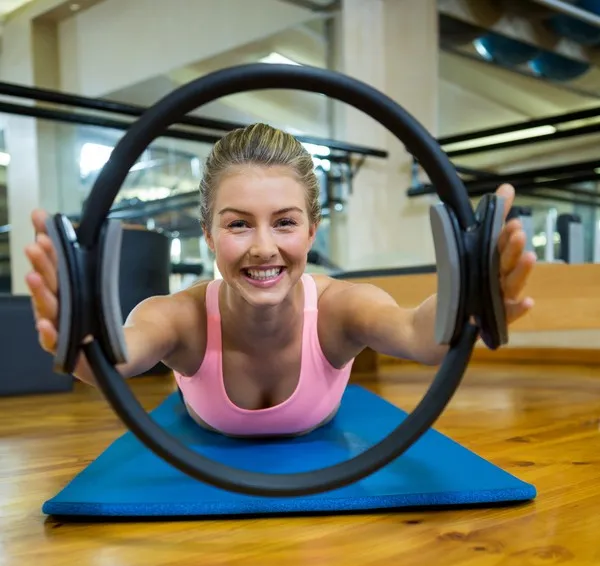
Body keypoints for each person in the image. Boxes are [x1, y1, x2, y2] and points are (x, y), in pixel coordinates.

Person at [24, 123, 536, 438]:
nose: (264, 246)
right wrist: (78, 336)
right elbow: (114, 358)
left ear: (312, 230)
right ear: (208, 232)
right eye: (238, 223)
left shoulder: (341, 309)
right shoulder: (179, 317)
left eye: (285, 221)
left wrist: (467, 297)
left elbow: (420, 335)